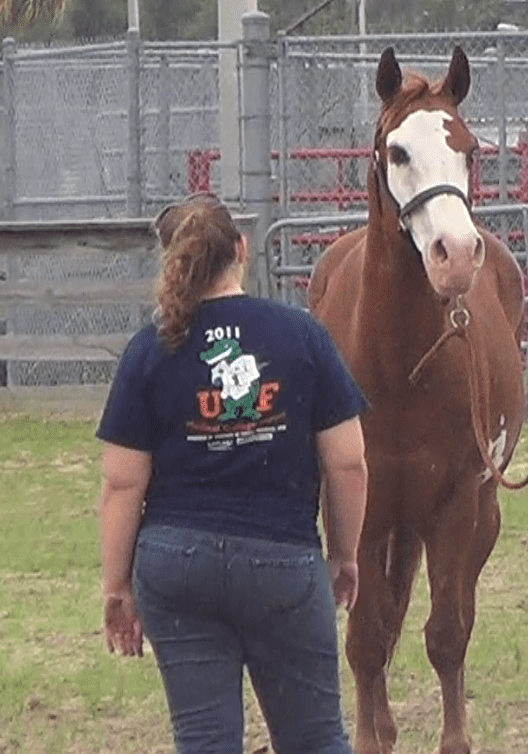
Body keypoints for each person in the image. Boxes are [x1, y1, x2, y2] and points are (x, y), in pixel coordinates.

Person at [97, 193, 369, 754]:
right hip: (284, 561)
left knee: (204, 740)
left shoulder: (148, 350)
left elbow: (123, 482)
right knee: (316, 738)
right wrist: (343, 555)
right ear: (242, 250)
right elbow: (348, 461)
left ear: (172, 260)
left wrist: (116, 586)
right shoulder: (302, 334)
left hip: (177, 565)